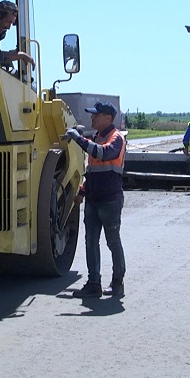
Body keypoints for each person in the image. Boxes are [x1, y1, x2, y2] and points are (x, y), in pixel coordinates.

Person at [63, 101, 127, 298]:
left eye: (96, 115)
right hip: (93, 198)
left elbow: (104, 154)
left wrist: (79, 139)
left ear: (108, 118)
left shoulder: (116, 139)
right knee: (90, 241)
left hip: (110, 200)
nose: (92, 118)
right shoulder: (97, 137)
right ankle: (93, 283)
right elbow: (92, 170)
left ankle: (117, 282)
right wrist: (82, 191)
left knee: (112, 242)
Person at [0, 0, 36, 71]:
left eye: (12, 23)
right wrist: (20, 55)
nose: (8, 27)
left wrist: (16, 53)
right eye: (7, 21)